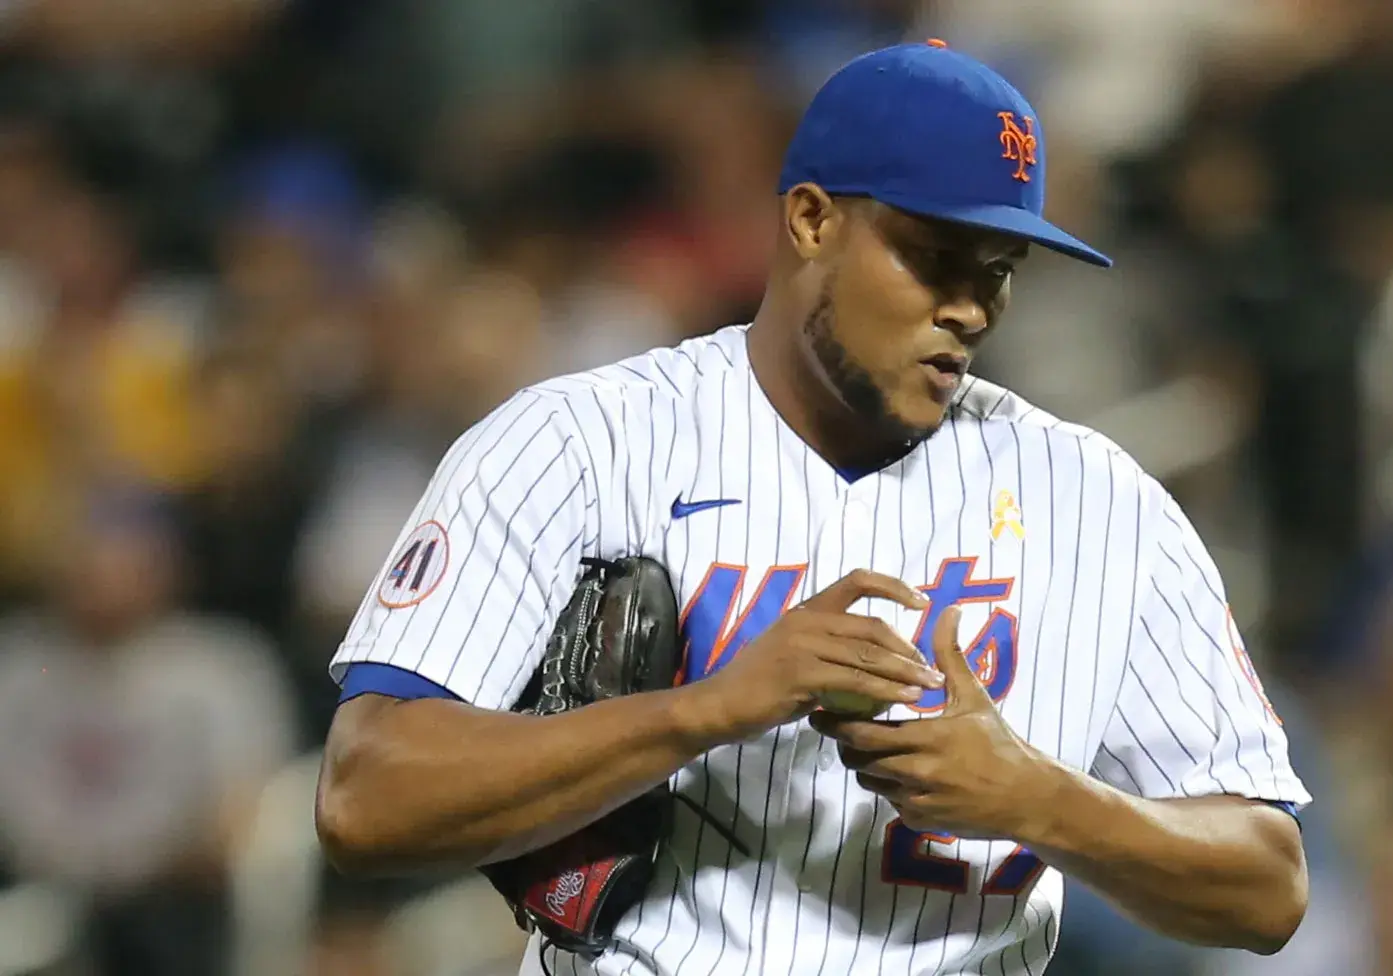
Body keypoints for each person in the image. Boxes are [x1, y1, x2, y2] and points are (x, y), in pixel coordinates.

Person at [314, 40, 1310, 976]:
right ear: (809, 221)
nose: (968, 306)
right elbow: (365, 798)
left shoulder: (1099, 503)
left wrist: (1039, 796)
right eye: (933, 256)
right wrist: (700, 712)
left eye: (996, 271)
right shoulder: (580, 445)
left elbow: (1266, 883)